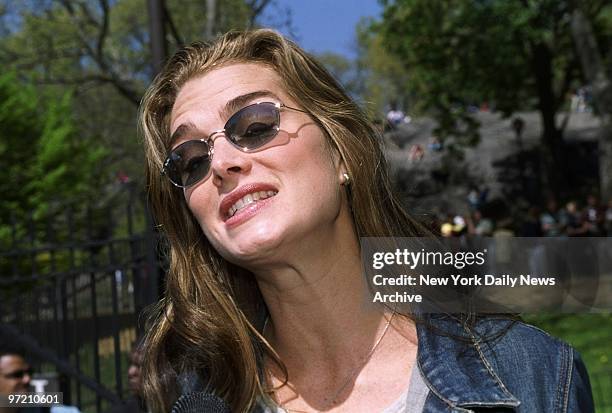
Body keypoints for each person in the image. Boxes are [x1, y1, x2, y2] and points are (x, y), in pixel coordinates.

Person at [139, 29, 594, 412]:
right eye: (191, 159)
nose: (220, 164)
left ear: (341, 153)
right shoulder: (194, 399)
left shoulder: (535, 375)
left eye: (255, 125)